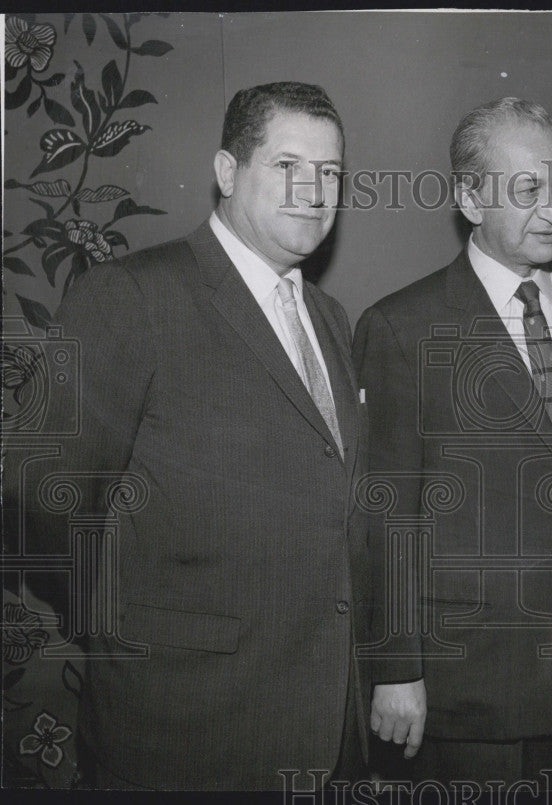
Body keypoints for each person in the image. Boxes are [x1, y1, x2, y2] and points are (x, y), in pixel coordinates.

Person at [12, 82, 371, 789]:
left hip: (316, 722)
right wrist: (120, 624)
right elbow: (38, 482)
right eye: (287, 165)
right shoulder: (131, 294)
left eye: (330, 173)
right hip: (180, 721)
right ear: (228, 172)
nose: (313, 190)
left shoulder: (328, 315)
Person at [352, 97, 552, 786]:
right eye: (529, 189)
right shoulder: (401, 328)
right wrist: (396, 667)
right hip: (471, 674)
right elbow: (388, 516)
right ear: (470, 197)